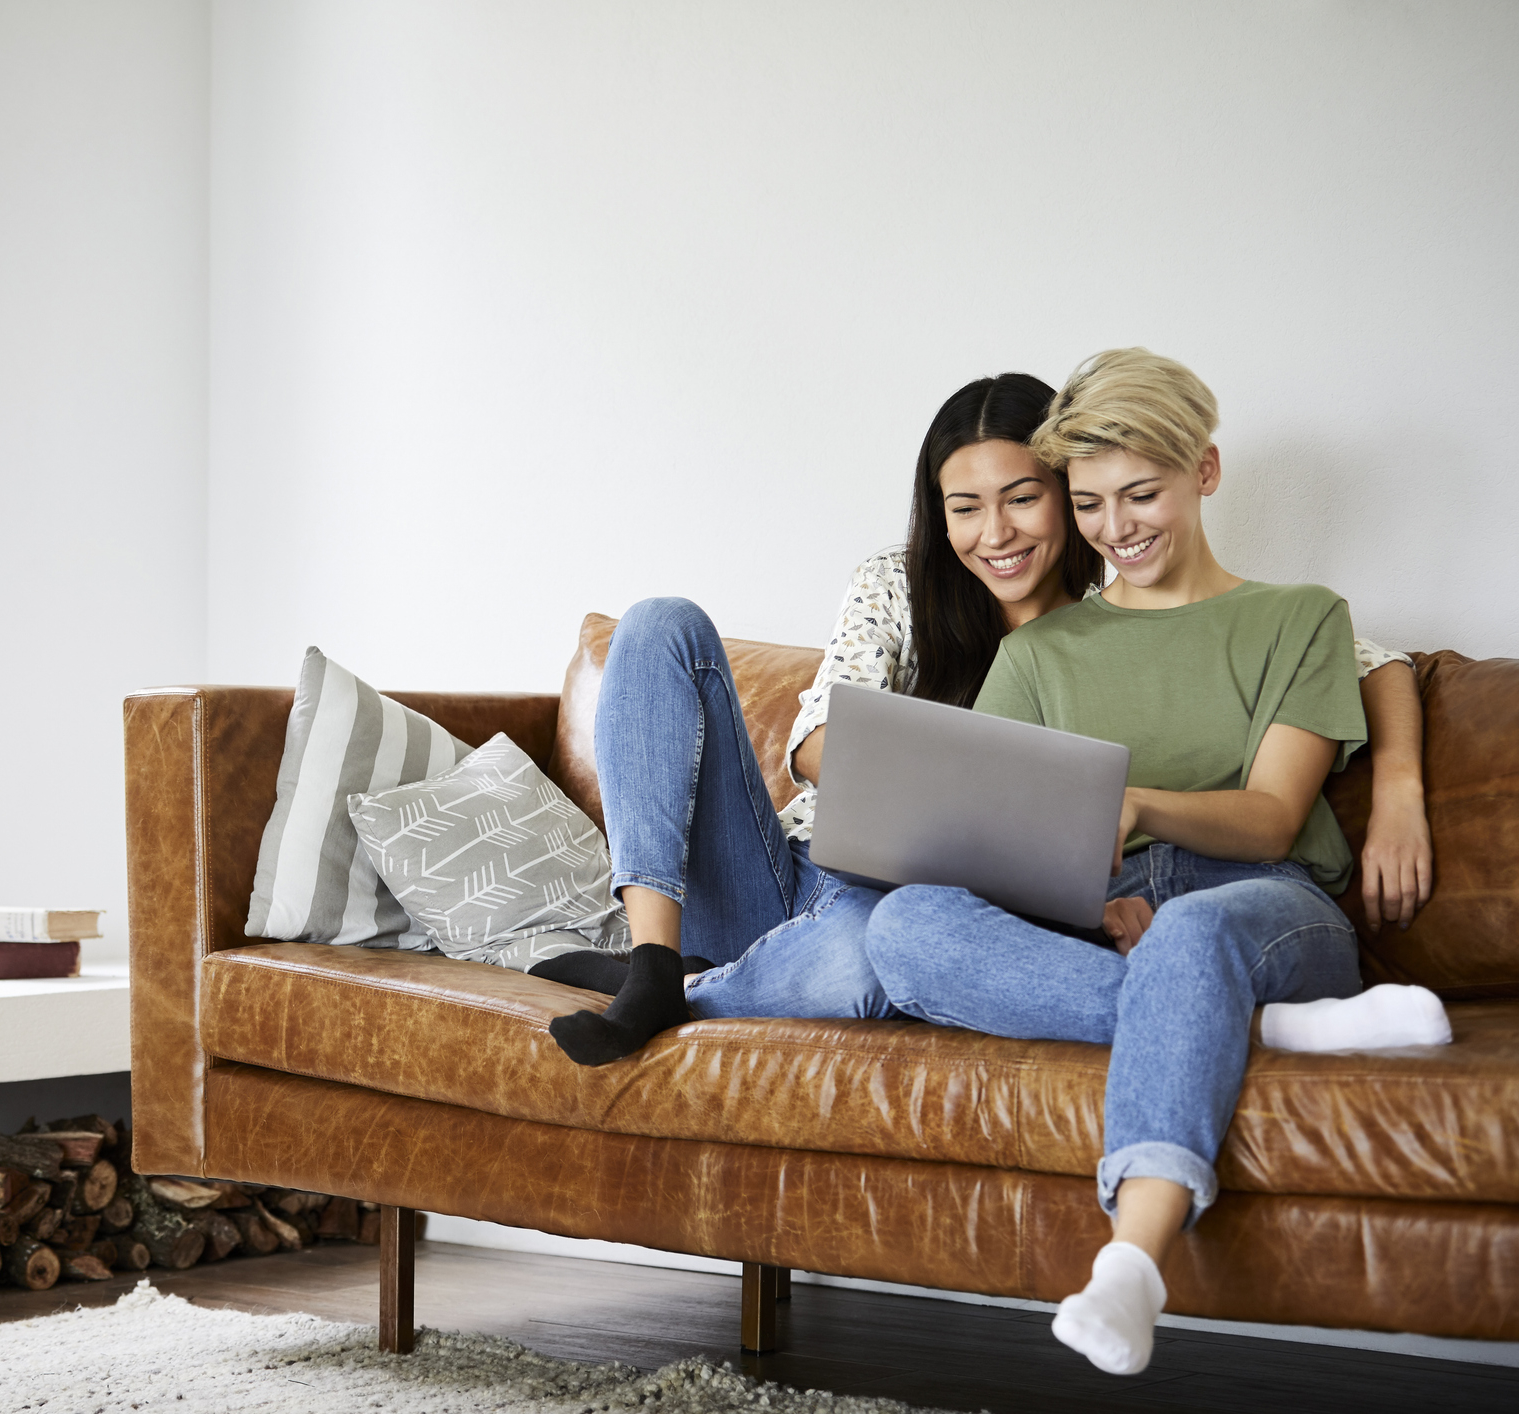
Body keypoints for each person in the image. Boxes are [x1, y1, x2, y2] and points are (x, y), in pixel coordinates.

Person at [541, 368, 1437, 1068]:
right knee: (659, 624)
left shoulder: (1124, 601)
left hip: (894, 914)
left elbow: (1367, 655)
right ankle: (652, 959)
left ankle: (693, 991)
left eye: (1022, 498)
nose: (995, 533)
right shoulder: (897, 585)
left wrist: (1397, 786)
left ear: (1067, 491)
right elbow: (812, 744)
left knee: (879, 950)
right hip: (791, 873)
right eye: (964, 508)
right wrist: (954, 788)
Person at [856, 349, 1452, 1377]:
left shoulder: (1300, 616)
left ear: (1204, 471)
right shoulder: (1037, 654)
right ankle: (1258, 1030)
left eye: (1141, 493)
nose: (1115, 527)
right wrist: (1082, 903)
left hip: (1264, 905)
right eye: (1088, 504)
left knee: (1193, 932)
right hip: (1117, 920)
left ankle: (1131, 1260)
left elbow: (1272, 819)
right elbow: (990, 844)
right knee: (904, 924)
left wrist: (1132, 802)